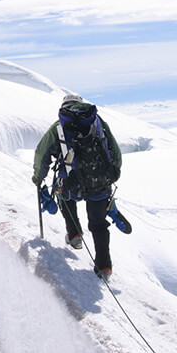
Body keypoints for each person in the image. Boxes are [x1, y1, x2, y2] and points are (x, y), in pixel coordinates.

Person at [32, 94, 122, 280]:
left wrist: (38, 178)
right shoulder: (97, 122)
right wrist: (109, 174)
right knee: (98, 224)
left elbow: (42, 154)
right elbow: (114, 150)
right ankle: (104, 267)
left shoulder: (59, 127)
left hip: (72, 182)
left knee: (64, 196)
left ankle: (74, 235)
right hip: (99, 182)